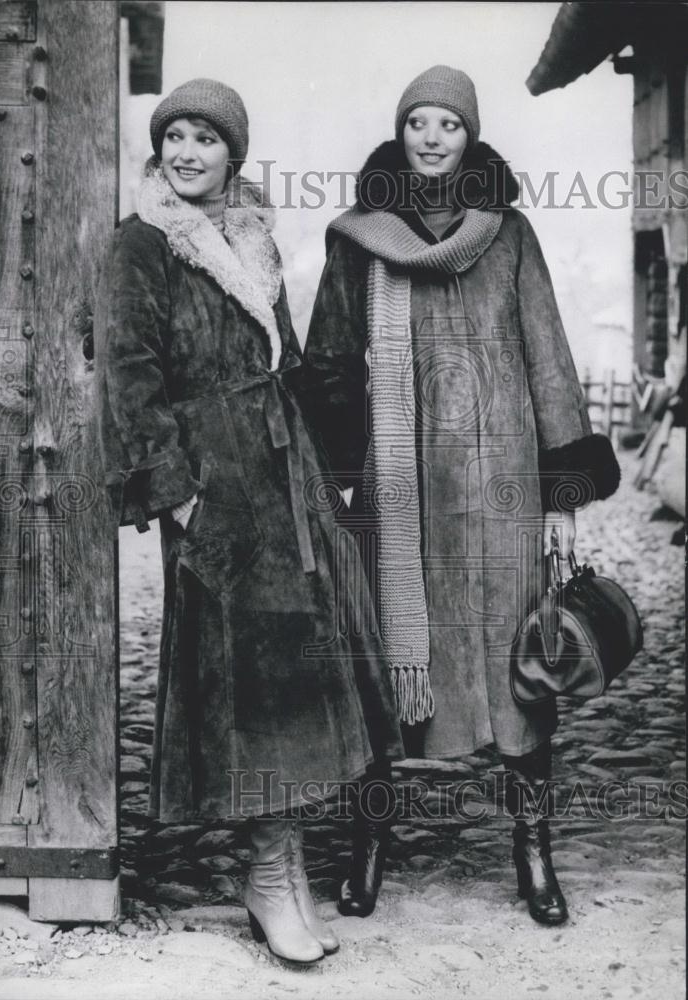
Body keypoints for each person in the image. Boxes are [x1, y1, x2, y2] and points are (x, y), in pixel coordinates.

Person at [300, 65, 621, 926]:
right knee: (382, 681)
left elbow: (548, 356)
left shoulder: (509, 234)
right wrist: (332, 481)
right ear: (400, 134)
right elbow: (329, 366)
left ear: (470, 135)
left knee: (521, 677)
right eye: (418, 122)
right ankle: (368, 851)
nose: (433, 137)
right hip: (396, 493)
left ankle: (533, 857)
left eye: (449, 122)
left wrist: (563, 494)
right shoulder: (359, 240)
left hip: (500, 494)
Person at [94, 78, 403, 966]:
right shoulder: (144, 245)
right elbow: (129, 373)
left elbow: (290, 364)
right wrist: (180, 495)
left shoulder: (252, 236)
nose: (188, 152)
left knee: (304, 677)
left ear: (235, 153)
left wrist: (322, 475)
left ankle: (285, 867)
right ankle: (267, 877)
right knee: (251, 682)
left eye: (206, 139)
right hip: (217, 485)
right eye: (175, 137)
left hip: (285, 475)